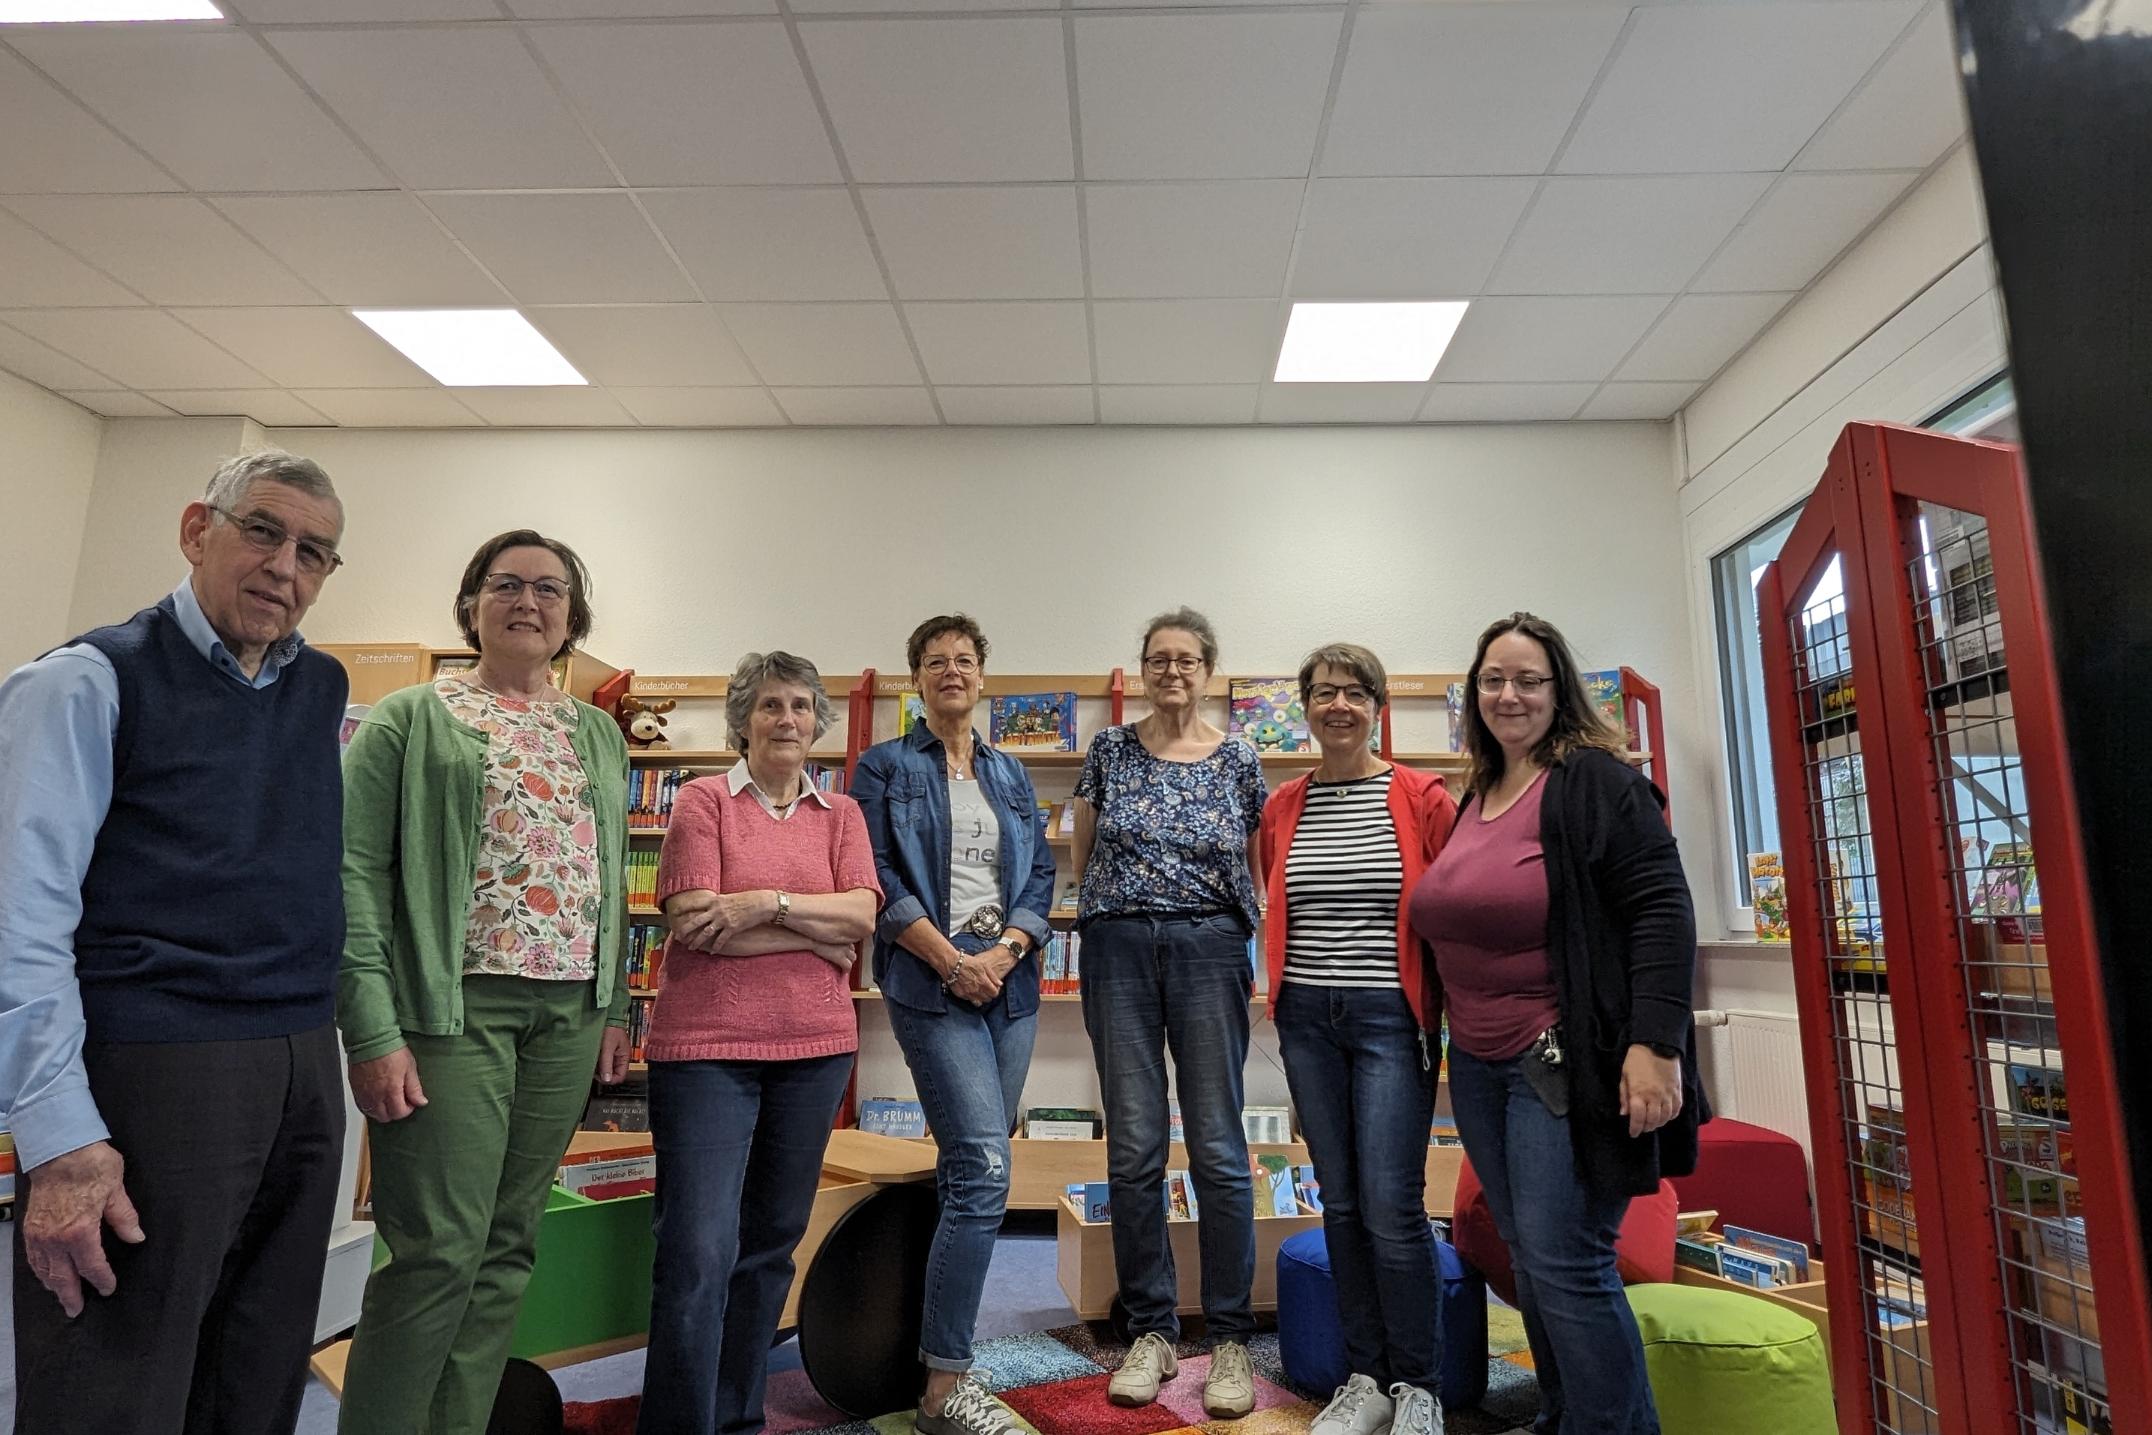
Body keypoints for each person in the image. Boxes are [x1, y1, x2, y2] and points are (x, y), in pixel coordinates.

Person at [0, 450, 350, 1435]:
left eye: (316, 552)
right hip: (156, 1068)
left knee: (255, 1376)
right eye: (264, 532)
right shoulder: (86, 681)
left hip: (300, 1063)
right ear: (199, 529)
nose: (287, 566)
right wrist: (60, 1135)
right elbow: (18, 916)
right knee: (117, 1385)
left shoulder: (318, 689)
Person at [336, 529, 634, 1435]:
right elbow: (350, 873)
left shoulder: (597, 733)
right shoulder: (409, 718)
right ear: (472, 603)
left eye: (549, 589)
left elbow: (612, 872)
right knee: (437, 1251)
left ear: (571, 616)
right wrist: (371, 1027)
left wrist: (615, 1001)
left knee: (508, 1247)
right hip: (451, 1008)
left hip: (567, 1010)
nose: (527, 601)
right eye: (506, 583)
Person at [1408, 613, 1705, 1435]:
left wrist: (1656, 1043)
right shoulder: (1477, 793)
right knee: (1532, 1259)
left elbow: (1661, 909)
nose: (1509, 694)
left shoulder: (1595, 781)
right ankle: (1566, 1414)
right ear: (1474, 694)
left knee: (1567, 1261)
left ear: (1559, 689)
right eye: (1493, 679)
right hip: (1476, 1059)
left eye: (1528, 679)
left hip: (1564, 1058)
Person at [637, 651, 881, 1435]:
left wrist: (763, 904)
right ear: (743, 718)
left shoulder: (841, 813)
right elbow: (694, 924)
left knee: (771, 1243)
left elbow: (864, 918)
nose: (787, 719)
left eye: (802, 707)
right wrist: (814, 931)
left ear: (818, 723)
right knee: (698, 1249)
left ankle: (735, 1416)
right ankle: (678, 1424)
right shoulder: (703, 800)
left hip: (815, 1050)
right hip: (706, 1049)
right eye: (771, 705)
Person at [852, 615, 1057, 1435]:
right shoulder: (885, 765)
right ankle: (945, 1387)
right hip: (931, 985)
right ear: (917, 678)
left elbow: (1040, 870)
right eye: (934, 661)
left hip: (1008, 986)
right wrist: (951, 961)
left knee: (973, 1169)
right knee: (980, 1168)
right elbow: (877, 871)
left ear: (982, 677)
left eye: (963, 660)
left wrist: (1005, 951)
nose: (950, 671)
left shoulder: (1009, 771)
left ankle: (922, 1342)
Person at [1072, 607, 1268, 1419]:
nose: (1173, 671)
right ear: (1143, 668)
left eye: (1188, 659)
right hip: (1119, 945)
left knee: (1219, 1146)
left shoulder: (1239, 756)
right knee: (1136, 1144)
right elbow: (1084, 853)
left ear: (1208, 668)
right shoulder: (1110, 749)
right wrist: (1115, 915)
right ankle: (1150, 1329)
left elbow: (1253, 866)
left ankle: (1228, 1336)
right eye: (1159, 659)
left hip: (1210, 946)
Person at [1257, 644, 1457, 1435]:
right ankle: (1366, 1375)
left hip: (1390, 1019)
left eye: (1353, 692)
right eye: (1322, 692)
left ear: (1377, 705)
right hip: (1307, 1018)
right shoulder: (1284, 806)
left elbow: (1452, 908)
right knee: (1339, 1202)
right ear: (1305, 706)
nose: (1337, 704)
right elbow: (1276, 896)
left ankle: (1420, 1384)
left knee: (1392, 1205)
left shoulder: (1422, 797)